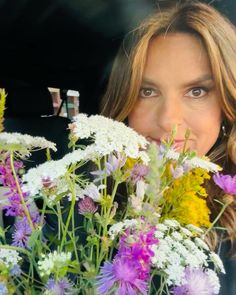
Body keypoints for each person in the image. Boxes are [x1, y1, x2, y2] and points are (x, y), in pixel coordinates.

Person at [101, 1, 236, 293]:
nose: (168, 120)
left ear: (227, 105)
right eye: (147, 91)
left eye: (196, 91)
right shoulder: (93, 212)